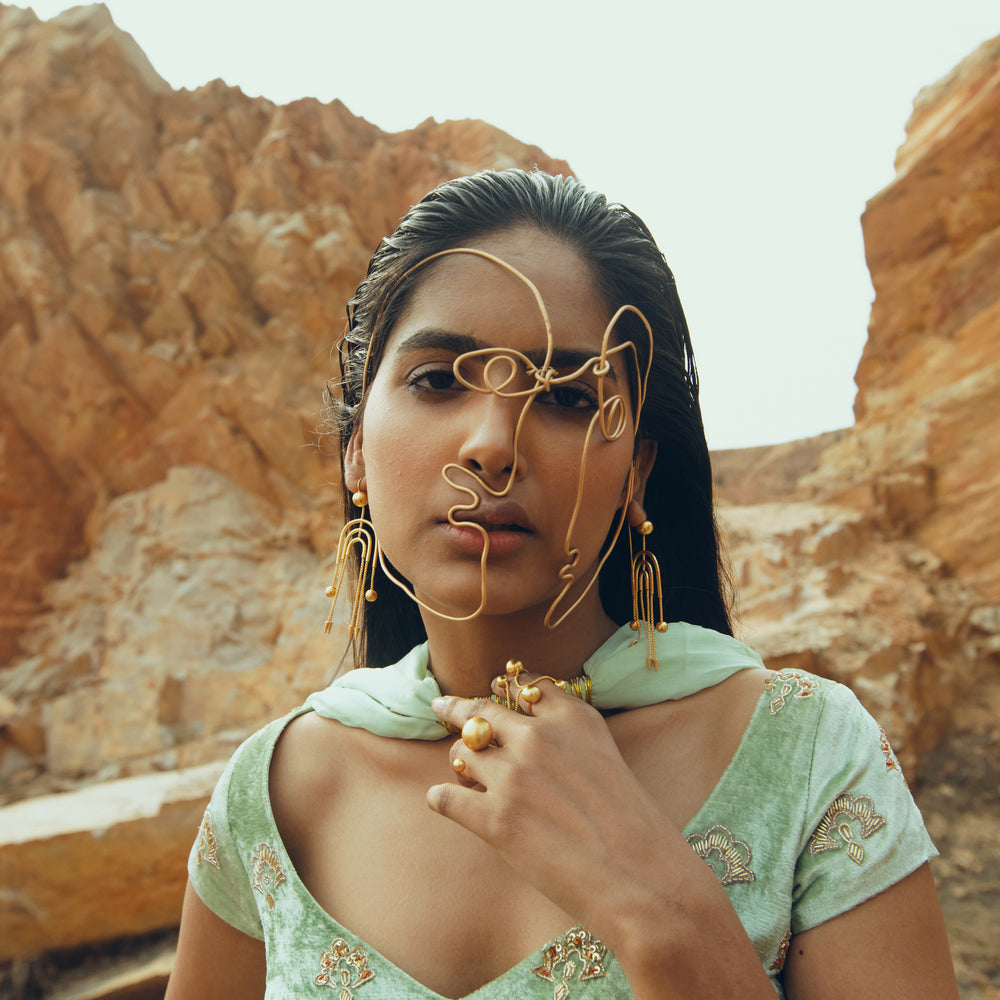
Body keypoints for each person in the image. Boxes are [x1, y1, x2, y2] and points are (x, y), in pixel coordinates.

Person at [165, 169, 958, 999]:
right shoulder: (277, 793)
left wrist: (657, 906)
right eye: (437, 380)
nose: (491, 446)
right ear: (355, 445)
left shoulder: (806, 759)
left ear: (638, 469)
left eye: (571, 398)